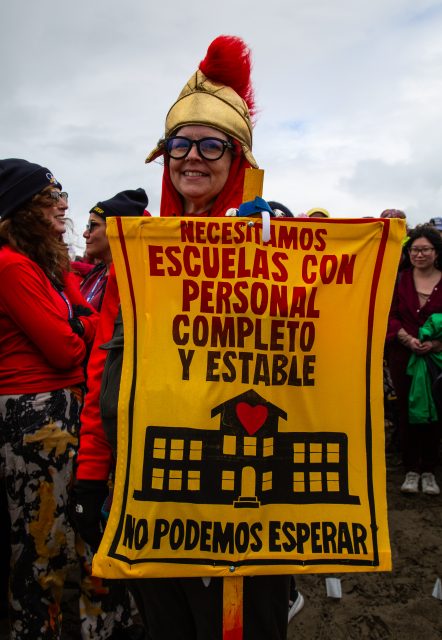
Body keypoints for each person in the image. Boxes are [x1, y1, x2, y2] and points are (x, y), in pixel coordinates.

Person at [74, 36, 292, 640]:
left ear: (239, 155)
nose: (192, 156)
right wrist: (94, 470)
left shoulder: (274, 238)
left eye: (211, 143)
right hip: (150, 485)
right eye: (179, 143)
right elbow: (104, 367)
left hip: (242, 490)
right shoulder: (136, 251)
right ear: (162, 154)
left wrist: (286, 246)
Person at [0, 158, 98, 639]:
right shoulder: (10, 266)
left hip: (52, 412)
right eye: (50, 197)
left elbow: (79, 319)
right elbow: (64, 349)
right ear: (21, 209)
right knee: (41, 541)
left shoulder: (38, 264)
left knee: (53, 535)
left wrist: (79, 325)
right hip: (35, 415)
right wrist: (82, 329)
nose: (63, 205)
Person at [386, 224, 442, 495]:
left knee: (435, 413)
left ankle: (429, 470)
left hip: (437, 359)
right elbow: (390, 315)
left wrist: (435, 343)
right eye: (414, 250)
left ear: (436, 252)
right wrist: (407, 338)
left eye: (425, 249)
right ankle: (410, 469)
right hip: (403, 356)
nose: (419, 255)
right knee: (406, 412)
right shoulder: (399, 280)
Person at [81, 188, 148, 310]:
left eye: (93, 225)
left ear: (116, 229)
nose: (85, 234)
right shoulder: (96, 274)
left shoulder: (132, 282)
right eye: (87, 226)